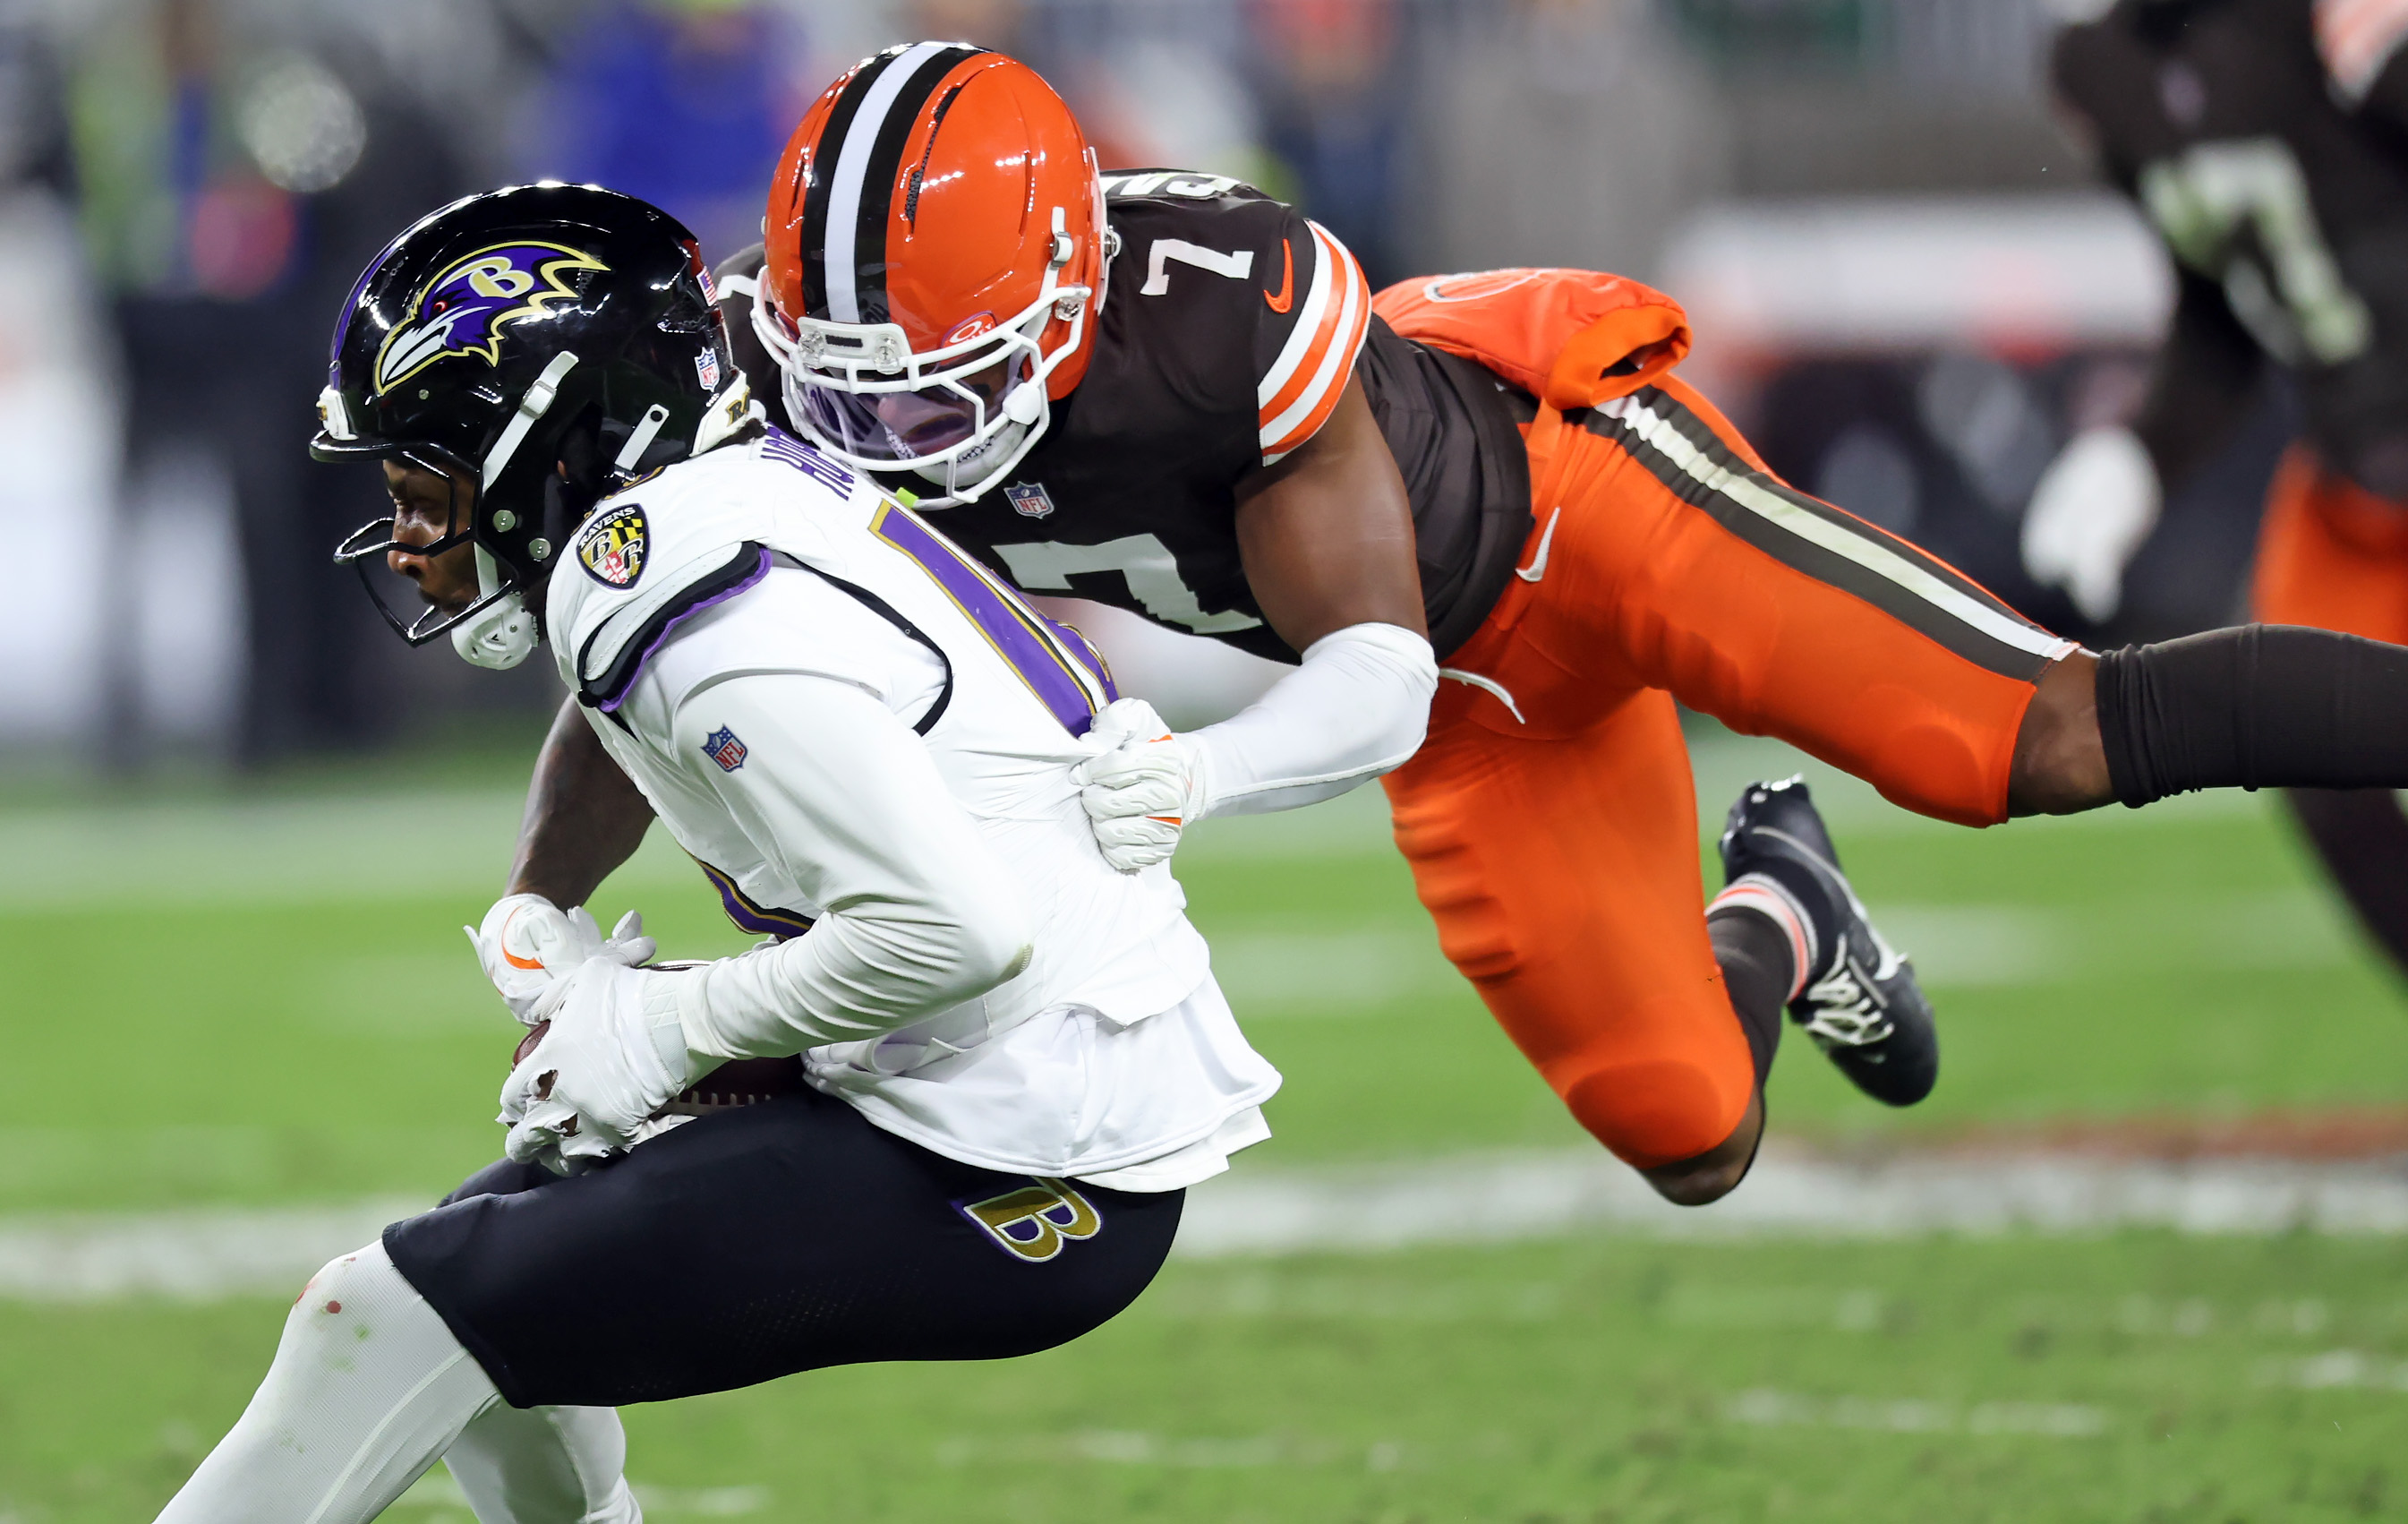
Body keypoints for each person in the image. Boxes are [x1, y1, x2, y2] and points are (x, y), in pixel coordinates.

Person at [499, 44, 2408, 1211]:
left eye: (939, 392)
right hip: (1477, 713)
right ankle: (1787, 909)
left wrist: (1186, 773)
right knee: (1690, 1131)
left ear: (1069, 297)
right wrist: (538, 908)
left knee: (2032, 740)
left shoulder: (1212, 310)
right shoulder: (794, 375)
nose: (889, 445)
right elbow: (636, 640)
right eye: (854, 398)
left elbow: (1374, 669)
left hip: (1583, 515)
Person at [154, 182, 1278, 1522]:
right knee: (486, 1312)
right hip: (998, 1079)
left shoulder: (681, 593)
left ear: (542, 448)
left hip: (1030, 1150)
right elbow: (619, 706)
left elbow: (954, 931)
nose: (403, 539)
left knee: (381, 1312)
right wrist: (541, 906)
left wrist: (665, 1025)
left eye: (422, 484)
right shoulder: (688, 522)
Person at [2026, 0, 2408, 978]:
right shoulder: (2099, 63)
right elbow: (2223, 303)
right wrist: (2141, 454)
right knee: (2300, 741)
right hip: (2357, 470)